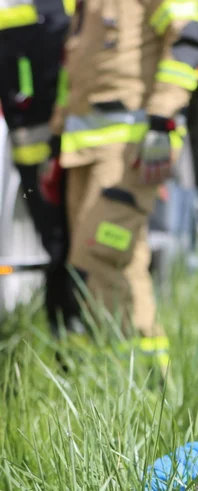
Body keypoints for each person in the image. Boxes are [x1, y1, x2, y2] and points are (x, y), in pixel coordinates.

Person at [51, 0, 198, 366]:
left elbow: (188, 39)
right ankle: (140, 374)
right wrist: (55, 137)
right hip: (85, 153)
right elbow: (74, 71)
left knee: (101, 253)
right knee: (119, 261)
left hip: (131, 152)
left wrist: (162, 118)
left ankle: (133, 373)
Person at [0, 0, 80, 335]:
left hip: (55, 149)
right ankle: (68, 340)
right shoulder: (56, 13)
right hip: (54, 151)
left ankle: (69, 339)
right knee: (63, 250)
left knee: (64, 250)